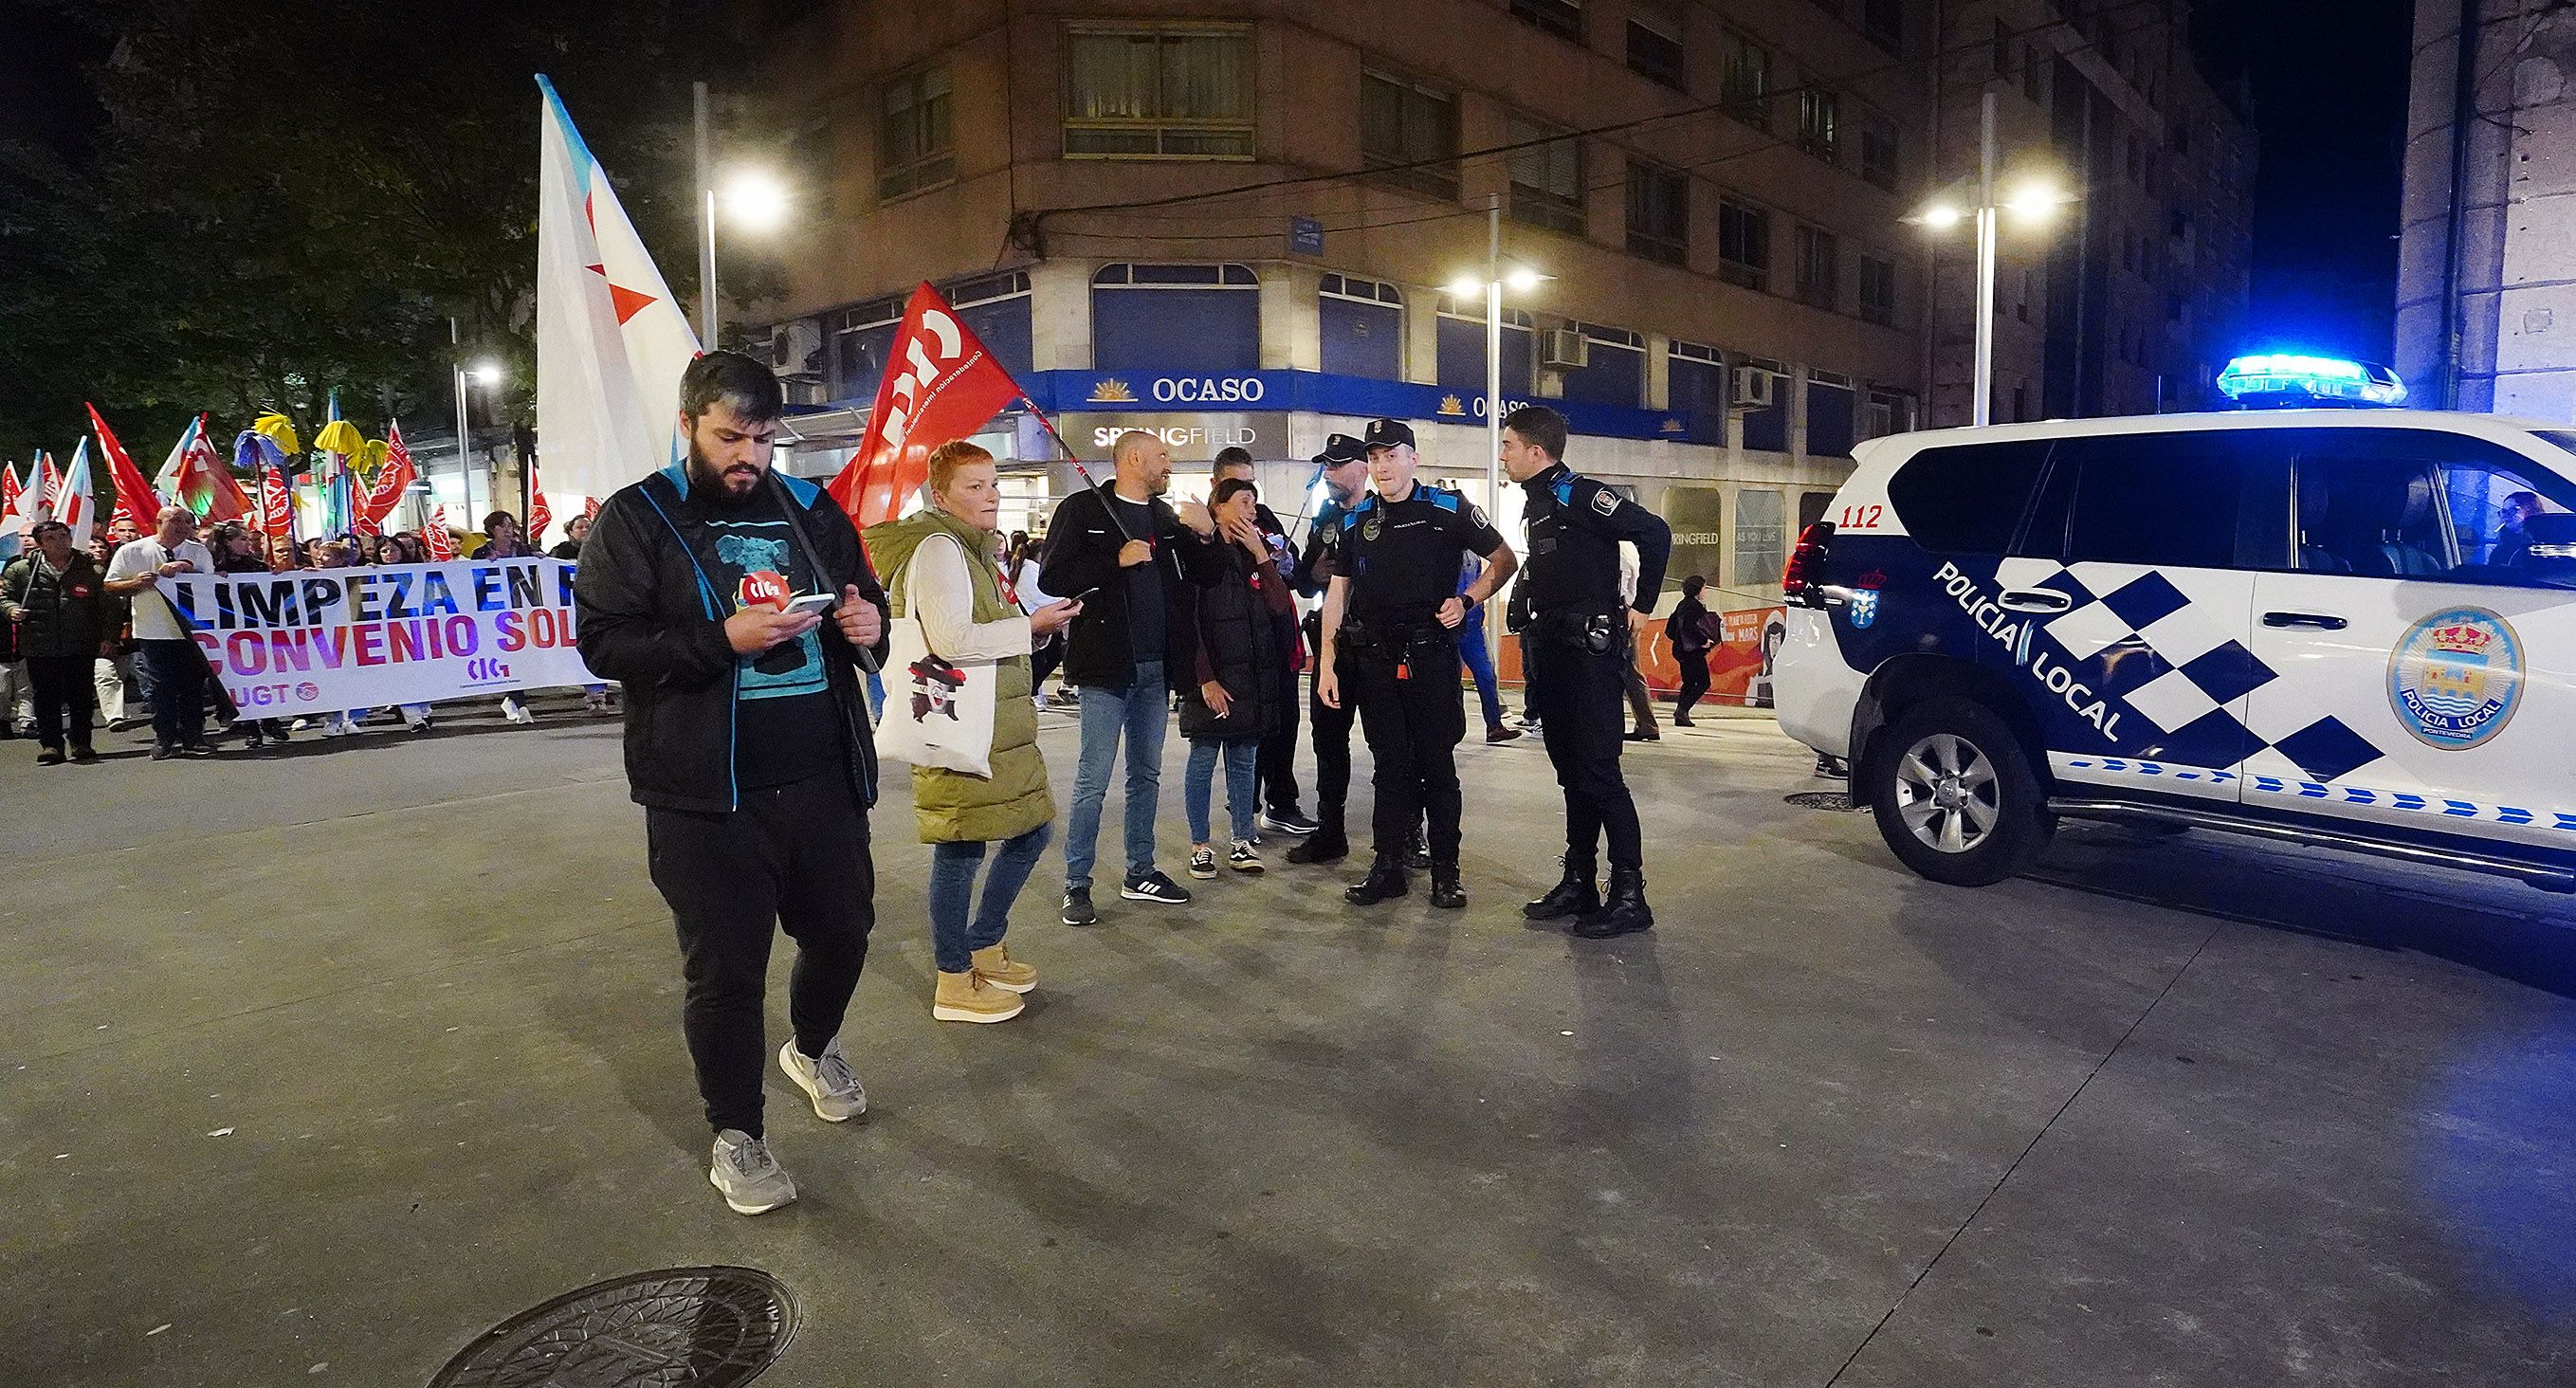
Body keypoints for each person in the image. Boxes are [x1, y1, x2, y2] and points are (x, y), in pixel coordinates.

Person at [573, 350, 890, 1215]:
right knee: (726, 975)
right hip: (707, 797)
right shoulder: (637, 519)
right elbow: (604, 644)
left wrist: (869, 621)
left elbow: (866, 603)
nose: (747, 455)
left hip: (823, 778)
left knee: (844, 934)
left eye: (760, 437)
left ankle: (812, 1046)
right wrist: (723, 640)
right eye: (728, 437)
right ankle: (737, 1133)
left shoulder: (811, 508)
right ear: (687, 426)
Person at [867, 441, 1081, 1023]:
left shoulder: (971, 551)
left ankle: (983, 945)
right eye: (974, 486)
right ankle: (954, 978)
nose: (990, 495)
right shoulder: (941, 549)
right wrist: (1030, 627)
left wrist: (1032, 629)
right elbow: (953, 640)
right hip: (961, 722)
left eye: (992, 483)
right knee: (960, 847)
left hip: (993, 724)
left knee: (1029, 830)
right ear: (941, 496)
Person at [1317, 418, 1518, 908]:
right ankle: (1388, 867)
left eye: (1392, 455)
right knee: (1388, 768)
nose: (1383, 466)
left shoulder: (1447, 508)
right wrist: (1326, 663)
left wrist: (1468, 600)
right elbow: (1337, 593)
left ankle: (1446, 874)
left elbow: (1504, 559)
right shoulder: (1354, 519)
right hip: (1374, 661)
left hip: (1430, 657)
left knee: (1436, 766)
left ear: (1413, 458)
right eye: (1376, 458)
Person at [1499, 406, 1672, 939]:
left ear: (1536, 451)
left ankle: (1629, 895)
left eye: (1508, 445)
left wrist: (1642, 604)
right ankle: (1580, 879)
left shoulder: (1578, 494)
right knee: (1570, 771)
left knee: (1599, 773)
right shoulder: (1539, 503)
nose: (1502, 454)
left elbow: (1654, 532)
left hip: (1589, 657)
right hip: (1554, 651)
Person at [1038, 429, 1212, 925]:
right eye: (1163, 455)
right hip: (1105, 667)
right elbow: (1052, 577)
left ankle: (1141, 871)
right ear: (1134, 458)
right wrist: (1113, 560)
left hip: (1156, 669)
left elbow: (1207, 574)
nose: (1170, 464)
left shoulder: (1165, 517)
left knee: (1147, 775)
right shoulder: (1083, 509)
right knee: (1093, 779)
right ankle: (1077, 882)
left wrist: (1204, 533)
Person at [1178, 476, 1297, 880]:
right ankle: (1200, 846)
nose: (1251, 509)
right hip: (1213, 681)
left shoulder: (1254, 556)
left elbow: (1281, 608)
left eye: (1254, 503)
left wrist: (1262, 555)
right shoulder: (1199, 553)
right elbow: (1189, 622)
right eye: (1244, 501)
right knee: (1202, 762)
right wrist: (1204, 680)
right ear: (1219, 507)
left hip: (1253, 678)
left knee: (1244, 763)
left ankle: (1242, 840)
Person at [1211, 447, 1318, 838]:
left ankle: (1282, 802)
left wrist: (1277, 557)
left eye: (1251, 487)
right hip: (1236, 651)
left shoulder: (1265, 518)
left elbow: (1292, 574)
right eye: (1236, 487)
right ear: (1216, 488)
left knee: (1283, 723)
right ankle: (1242, 809)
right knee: (1240, 735)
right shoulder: (1207, 531)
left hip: (1278, 643)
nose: (1248, 498)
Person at [1283, 434, 1371, 866]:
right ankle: (1329, 830)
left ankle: (1407, 834)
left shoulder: (1385, 513)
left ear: (1364, 467)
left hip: (1378, 646)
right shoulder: (1325, 518)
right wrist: (1315, 572)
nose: (1330, 474)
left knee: (1393, 744)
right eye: (1327, 466)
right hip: (1332, 644)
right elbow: (1302, 581)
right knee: (1328, 740)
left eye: (1338, 465)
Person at [103, 505, 218, 759]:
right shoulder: (132, 551)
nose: (182, 526)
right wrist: (135, 584)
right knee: (160, 688)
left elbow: (210, 586)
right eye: (175, 520)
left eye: (187, 522)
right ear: (158, 522)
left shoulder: (197, 552)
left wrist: (188, 570)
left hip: (190, 632)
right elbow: (110, 585)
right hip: (152, 630)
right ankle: (164, 737)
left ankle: (193, 737)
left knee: (192, 687)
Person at [1, 520, 106, 764]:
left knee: (80, 696)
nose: (60, 543)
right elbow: (5, 597)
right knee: (46, 697)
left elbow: (105, 608)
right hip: (40, 644)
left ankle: (81, 742)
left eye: (64, 537)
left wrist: (107, 637)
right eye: (51, 539)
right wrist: (11, 610)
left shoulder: (90, 569)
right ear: (40, 544)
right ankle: (51, 745)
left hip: (79, 643)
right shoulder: (22, 569)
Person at [210, 523, 292, 747]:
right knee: (240, 681)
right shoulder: (214, 566)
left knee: (265, 677)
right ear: (227, 542)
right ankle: (251, 727)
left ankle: (270, 720)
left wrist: (277, 575)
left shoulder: (257, 565)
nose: (247, 544)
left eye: (248, 540)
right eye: (242, 540)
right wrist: (213, 578)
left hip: (259, 629)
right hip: (229, 631)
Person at [475, 511, 545, 724]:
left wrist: (541, 559)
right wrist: (486, 565)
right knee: (507, 654)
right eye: (501, 525)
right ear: (492, 529)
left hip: (522, 609)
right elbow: (473, 579)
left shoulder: (523, 549)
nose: (507, 529)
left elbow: (538, 571)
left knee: (521, 654)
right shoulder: (481, 552)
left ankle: (514, 699)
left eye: (509, 524)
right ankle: (518, 701)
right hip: (494, 612)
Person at [1456, 553, 1522, 744]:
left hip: (1472, 623)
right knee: (1450, 679)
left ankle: (1494, 726)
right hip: (1453, 624)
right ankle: (1449, 729)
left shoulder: (1474, 553)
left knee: (1486, 674)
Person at [87, 528, 139, 732]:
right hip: (89, 637)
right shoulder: (79, 576)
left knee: (119, 674)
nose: (98, 550)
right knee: (105, 673)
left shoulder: (117, 573)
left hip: (120, 634)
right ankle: (114, 716)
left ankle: (110, 709)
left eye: (102, 547)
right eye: (92, 547)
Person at [1617, 541, 1661, 742]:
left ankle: (1647, 724)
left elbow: (1619, 584)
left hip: (1620, 610)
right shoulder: (1629, 547)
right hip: (1630, 610)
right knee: (1632, 670)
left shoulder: (1615, 548)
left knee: (1626, 671)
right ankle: (1647, 724)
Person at [1667, 575, 1714, 726]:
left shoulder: (1682, 604)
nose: (1705, 591)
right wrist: (1704, 641)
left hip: (1682, 650)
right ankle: (1682, 710)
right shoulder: (1693, 606)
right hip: (1692, 651)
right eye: (1704, 587)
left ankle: (1681, 716)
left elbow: (1671, 627)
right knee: (1703, 682)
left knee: (1688, 682)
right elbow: (1690, 627)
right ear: (1698, 589)